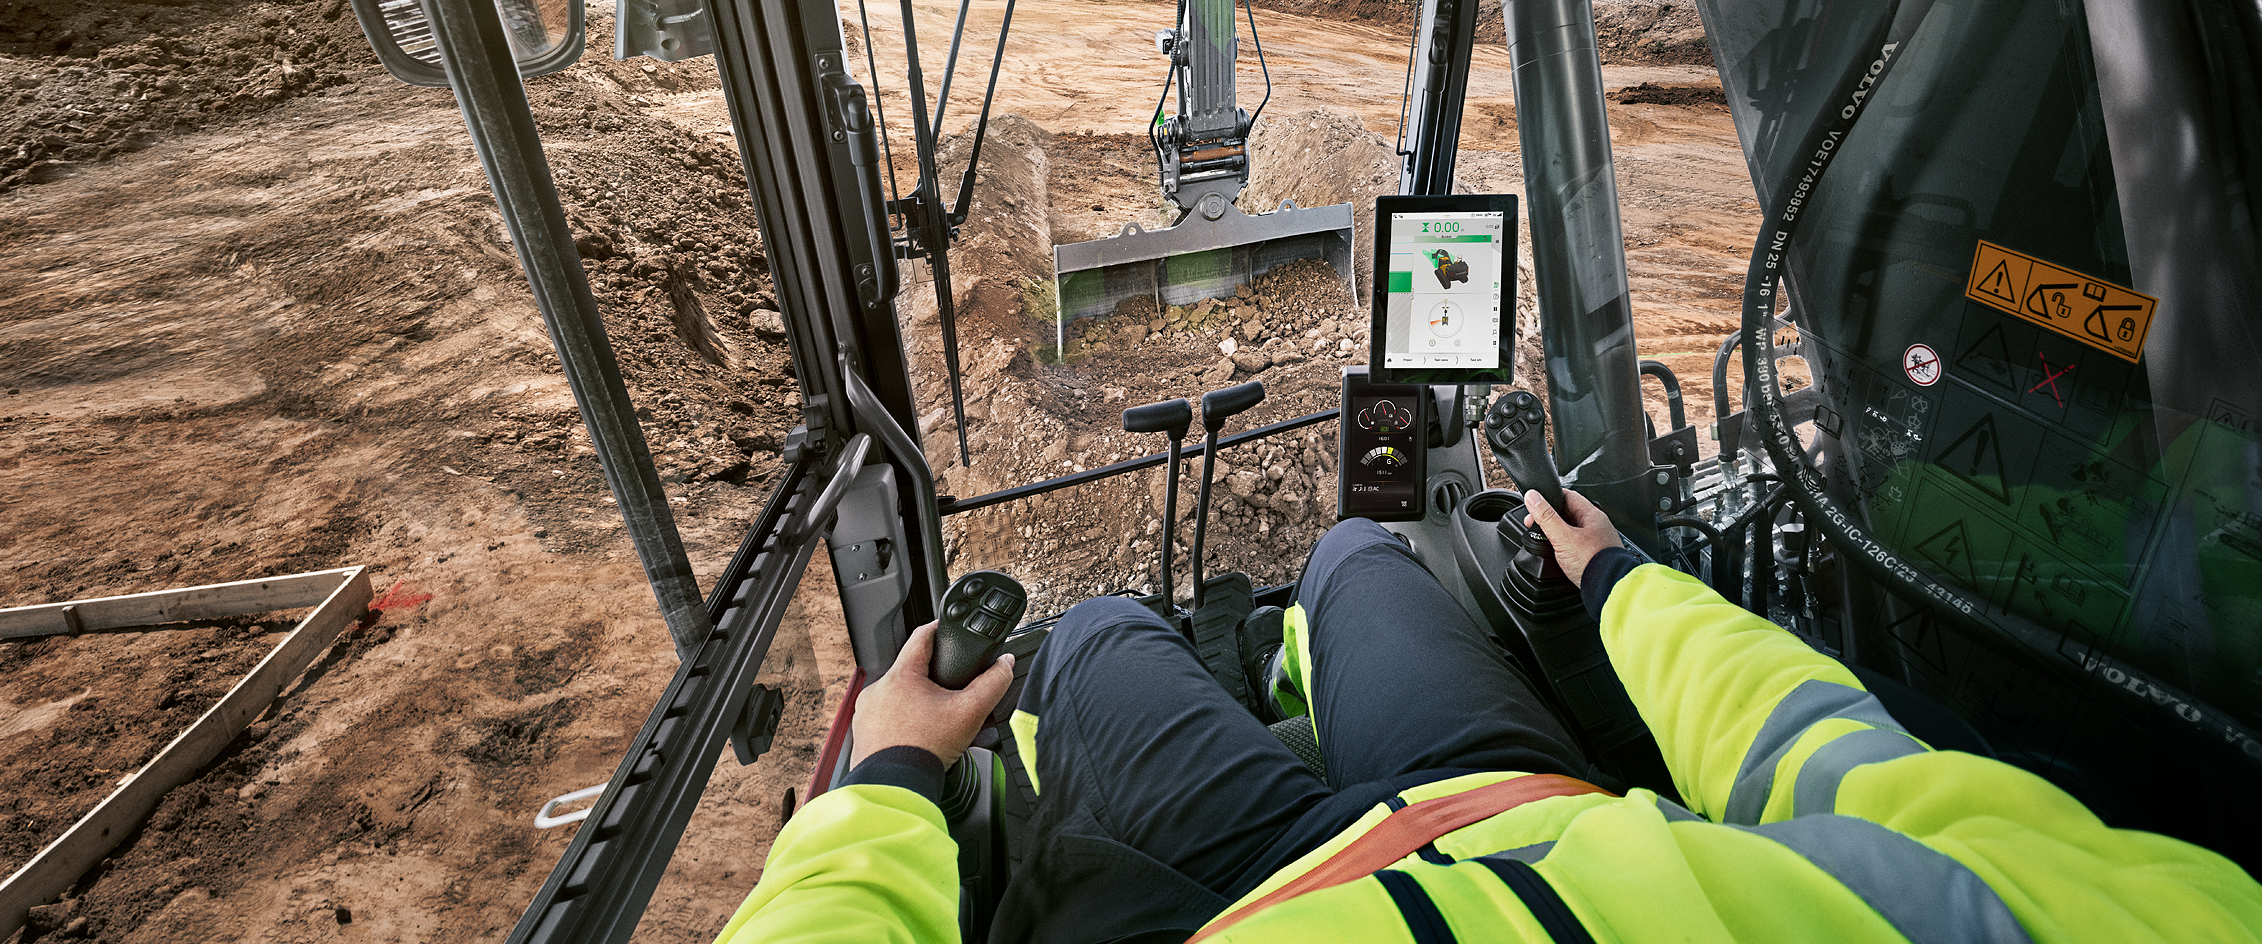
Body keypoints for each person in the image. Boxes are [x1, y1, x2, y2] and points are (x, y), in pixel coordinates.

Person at [713, 491, 2262, 942]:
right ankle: (1306, 638)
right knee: (1354, 547)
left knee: (1104, 627)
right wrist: (1621, 581)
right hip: (1527, 809)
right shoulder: (2165, 914)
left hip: (1288, 885)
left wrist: (900, 770)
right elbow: (1819, 749)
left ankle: (1266, 667)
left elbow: (1813, 739)